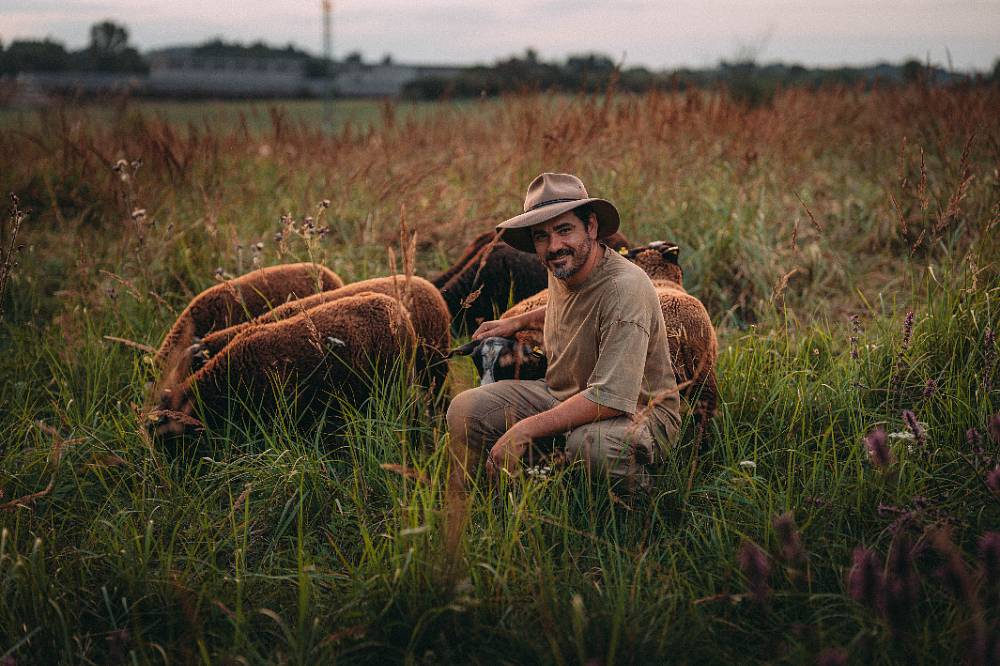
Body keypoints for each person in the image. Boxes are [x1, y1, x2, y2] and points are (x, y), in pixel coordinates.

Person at [445, 173, 681, 499]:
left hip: (635, 409)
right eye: (541, 236)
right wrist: (516, 322)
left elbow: (610, 398)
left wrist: (523, 429)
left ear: (591, 227)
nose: (554, 245)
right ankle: (548, 472)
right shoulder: (564, 266)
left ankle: (643, 503)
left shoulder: (625, 289)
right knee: (465, 410)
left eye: (564, 229)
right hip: (563, 393)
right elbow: (572, 306)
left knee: (592, 446)